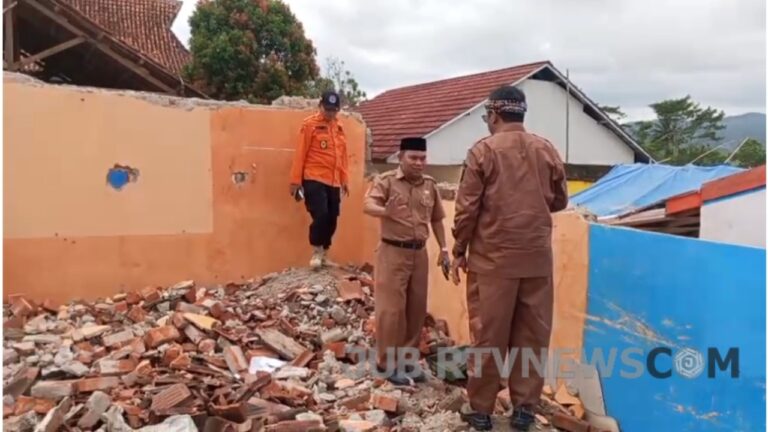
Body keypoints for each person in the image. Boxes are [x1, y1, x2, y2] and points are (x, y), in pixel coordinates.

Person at [451, 85, 568, 431]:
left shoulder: (482, 152)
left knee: (489, 336)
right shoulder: (546, 150)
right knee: (532, 335)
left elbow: (466, 211)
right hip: (536, 261)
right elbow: (560, 201)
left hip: (493, 263)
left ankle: (483, 411)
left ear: (494, 115)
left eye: (487, 116)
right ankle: (524, 411)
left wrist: (459, 250)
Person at [364, 137, 450, 385]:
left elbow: (436, 219)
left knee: (416, 310)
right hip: (392, 252)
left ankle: (408, 362)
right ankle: (386, 365)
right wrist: (385, 212)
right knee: (391, 312)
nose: (419, 163)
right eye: (413, 157)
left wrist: (444, 248)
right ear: (401, 157)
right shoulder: (387, 181)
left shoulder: (429, 185)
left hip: (419, 254)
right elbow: (368, 205)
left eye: (422, 158)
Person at [289, 90, 350, 268]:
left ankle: (324, 254)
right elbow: (300, 153)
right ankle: (316, 251)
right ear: (320, 106)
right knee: (321, 214)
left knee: (333, 218)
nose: (330, 113)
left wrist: (345, 179)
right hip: (313, 177)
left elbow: (343, 156)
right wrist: (295, 181)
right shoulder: (309, 125)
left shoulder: (339, 128)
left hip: (333, 181)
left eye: (334, 110)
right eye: (327, 109)